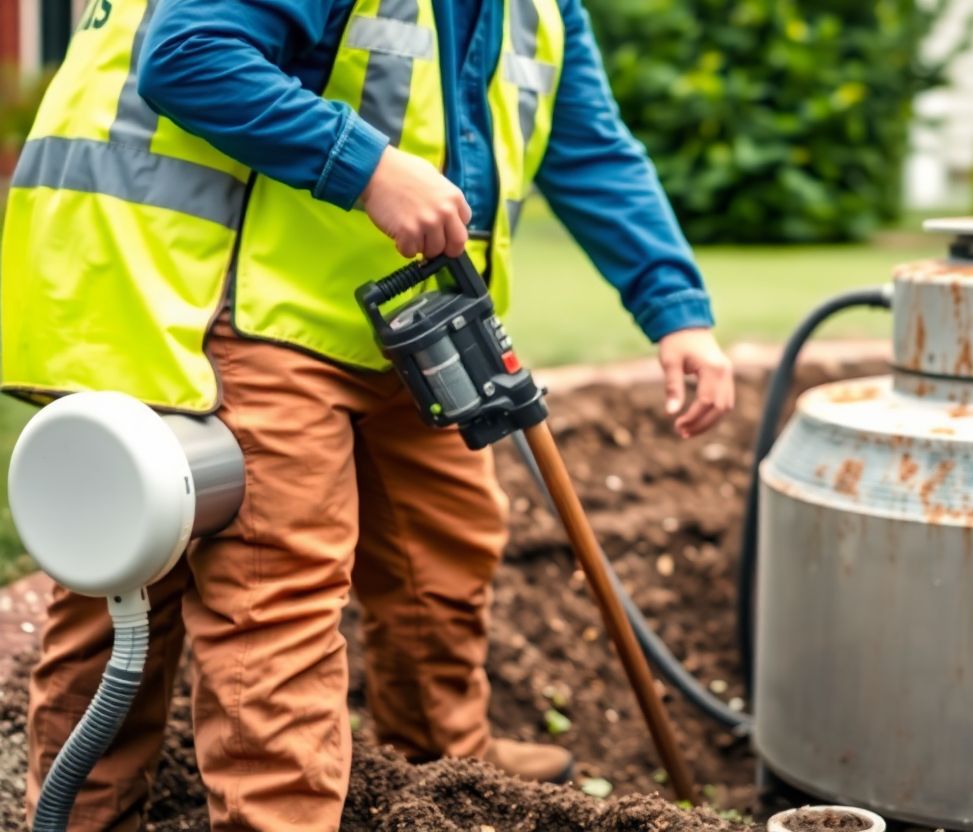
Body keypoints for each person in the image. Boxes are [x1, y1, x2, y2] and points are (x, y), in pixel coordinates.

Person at [1, 0, 735, 828]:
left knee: (448, 550)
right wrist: (371, 167)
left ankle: (448, 771)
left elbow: (591, 147)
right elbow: (190, 54)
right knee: (268, 597)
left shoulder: (545, 9)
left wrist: (677, 311)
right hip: (253, 310)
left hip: (410, 318)